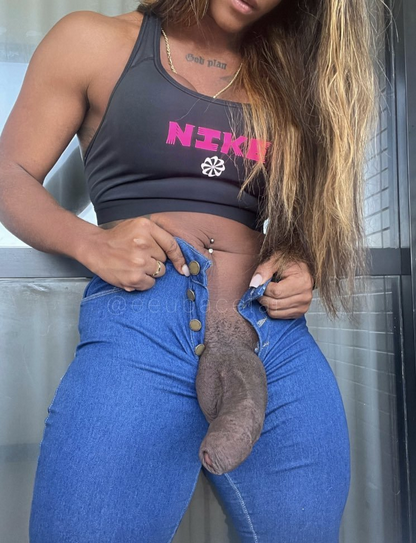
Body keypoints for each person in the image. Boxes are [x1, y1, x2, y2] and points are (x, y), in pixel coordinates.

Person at [0, 0, 381, 541]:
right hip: (142, 324)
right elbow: (10, 173)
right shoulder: (93, 41)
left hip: (272, 336)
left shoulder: (289, 77)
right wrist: (90, 242)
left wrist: (301, 261)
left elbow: (309, 213)